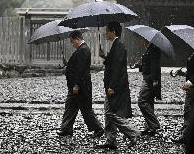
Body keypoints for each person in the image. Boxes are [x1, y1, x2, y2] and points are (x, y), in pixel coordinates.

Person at [96, 22, 139, 150]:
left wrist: (112, 86)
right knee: (108, 111)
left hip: (115, 85)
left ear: (113, 31)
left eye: (107, 31)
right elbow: (113, 63)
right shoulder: (116, 44)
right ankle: (111, 140)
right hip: (112, 85)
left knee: (110, 113)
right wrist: (104, 56)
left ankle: (132, 132)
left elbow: (117, 68)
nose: (105, 33)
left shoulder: (118, 45)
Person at [57, 30, 104, 137]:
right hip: (76, 86)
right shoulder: (82, 49)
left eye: (72, 41)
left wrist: (76, 85)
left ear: (77, 39)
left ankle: (98, 128)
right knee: (70, 107)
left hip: (80, 86)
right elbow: (76, 65)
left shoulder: (83, 50)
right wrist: (68, 64)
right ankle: (66, 129)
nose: (72, 43)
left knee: (86, 109)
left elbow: (81, 69)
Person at [133, 39, 161, 136]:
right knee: (149, 102)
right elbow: (148, 65)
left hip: (149, 79)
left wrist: (154, 80)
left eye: (141, 38)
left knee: (142, 101)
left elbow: (154, 65)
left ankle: (154, 124)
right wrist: (139, 66)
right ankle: (149, 127)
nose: (140, 41)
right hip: (149, 78)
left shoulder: (153, 49)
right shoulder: (149, 48)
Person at [172, 52, 194, 144]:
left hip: (192, 87)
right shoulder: (192, 52)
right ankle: (187, 134)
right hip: (191, 89)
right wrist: (182, 72)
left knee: (189, 112)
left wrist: (191, 81)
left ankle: (186, 136)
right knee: (189, 112)